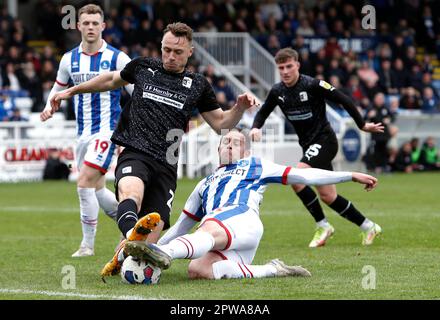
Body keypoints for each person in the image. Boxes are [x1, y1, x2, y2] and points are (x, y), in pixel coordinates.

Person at [47, 22, 257, 277]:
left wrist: (239, 108)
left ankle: (125, 251)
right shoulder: (144, 66)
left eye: (177, 52)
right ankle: (130, 236)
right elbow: (111, 79)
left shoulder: (198, 84)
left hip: (166, 164)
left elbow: (221, 124)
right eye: (166, 49)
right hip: (136, 151)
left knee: (150, 237)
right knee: (131, 193)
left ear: (190, 51)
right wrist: (70, 90)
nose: (170, 56)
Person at [123, 129, 379, 280]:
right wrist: (153, 246)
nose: (230, 145)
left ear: (245, 151)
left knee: (209, 225)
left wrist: (350, 175)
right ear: (218, 150)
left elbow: (305, 175)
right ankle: (271, 269)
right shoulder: (205, 184)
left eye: (237, 143)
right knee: (198, 270)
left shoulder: (255, 165)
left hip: (242, 221)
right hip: (226, 234)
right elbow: (180, 226)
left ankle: (163, 257)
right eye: (226, 142)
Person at [249, 48, 384, 248]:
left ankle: (323, 226)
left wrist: (362, 125)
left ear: (297, 65)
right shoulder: (278, 92)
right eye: (281, 68)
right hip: (308, 146)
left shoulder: (313, 84)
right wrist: (255, 128)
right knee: (329, 197)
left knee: (296, 178)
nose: (285, 71)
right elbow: (263, 112)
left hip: (325, 141)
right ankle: (368, 226)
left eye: (289, 66)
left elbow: (343, 99)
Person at [40, 4, 133, 257]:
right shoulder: (69, 59)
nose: (91, 27)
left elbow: (137, 95)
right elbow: (58, 88)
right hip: (82, 135)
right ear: (78, 25)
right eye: (86, 23)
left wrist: (131, 130)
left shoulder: (118, 58)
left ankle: (87, 246)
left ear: (103, 26)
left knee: (83, 184)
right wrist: (49, 107)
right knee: (98, 190)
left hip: (106, 131)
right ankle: (133, 227)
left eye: (95, 23)